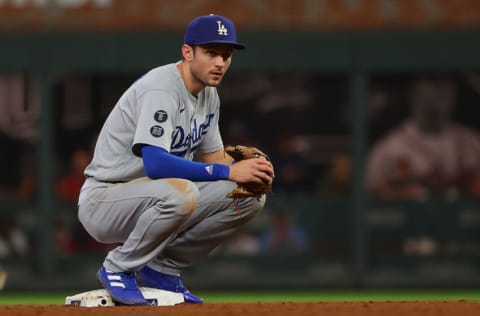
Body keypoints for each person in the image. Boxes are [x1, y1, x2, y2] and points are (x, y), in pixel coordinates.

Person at [77, 14, 275, 306]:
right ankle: (118, 267)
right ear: (187, 52)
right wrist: (229, 171)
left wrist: (245, 169)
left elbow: (212, 159)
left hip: (156, 195)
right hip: (105, 199)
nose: (220, 62)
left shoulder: (210, 95)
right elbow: (157, 164)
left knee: (249, 196)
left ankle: (162, 269)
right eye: (211, 53)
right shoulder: (162, 88)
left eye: (226, 55)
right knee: (183, 193)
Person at [366, 76, 480, 200]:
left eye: (443, 92)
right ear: (413, 94)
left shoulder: (472, 143)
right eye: (430, 87)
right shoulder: (389, 148)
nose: (436, 100)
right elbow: (370, 196)